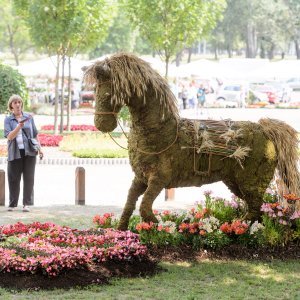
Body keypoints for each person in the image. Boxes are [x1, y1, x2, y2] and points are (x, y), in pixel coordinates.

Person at [4, 95, 43, 212]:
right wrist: (18, 127)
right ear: (11, 105)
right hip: (15, 152)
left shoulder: (28, 117)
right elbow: (9, 136)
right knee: (13, 178)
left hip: (30, 152)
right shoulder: (8, 120)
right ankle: (12, 204)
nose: (17, 104)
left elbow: (35, 134)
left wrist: (40, 148)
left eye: (19, 102)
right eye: (15, 102)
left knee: (29, 178)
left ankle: (27, 204)